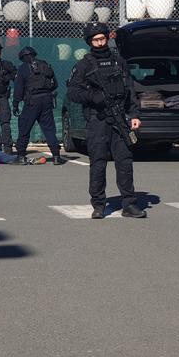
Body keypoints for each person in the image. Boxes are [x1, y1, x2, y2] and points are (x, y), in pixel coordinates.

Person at [66, 22, 146, 219]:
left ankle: (129, 204)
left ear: (107, 38)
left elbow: (130, 90)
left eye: (102, 38)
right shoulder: (84, 65)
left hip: (120, 117)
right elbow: (73, 92)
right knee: (98, 162)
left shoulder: (119, 62)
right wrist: (93, 96)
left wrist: (134, 114)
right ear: (90, 42)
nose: (100, 43)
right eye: (95, 40)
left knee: (125, 162)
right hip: (98, 120)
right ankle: (99, 204)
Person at [13, 46, 63, 165]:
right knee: (49, 128)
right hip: (46, 99)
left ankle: (20, 156)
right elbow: (54, 84)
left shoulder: (23, 68)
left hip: (32, 101)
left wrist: (15, 104)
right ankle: (56, 156)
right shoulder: (45, 65)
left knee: (25, 127)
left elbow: (18, 88)